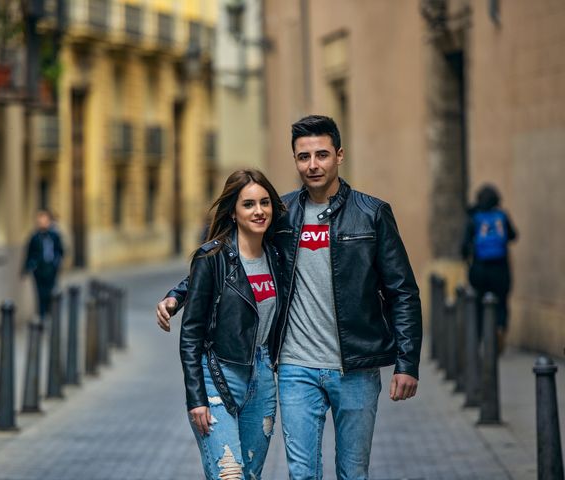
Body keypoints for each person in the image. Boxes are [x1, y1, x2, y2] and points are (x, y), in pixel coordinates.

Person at [158, 115, 422, 480]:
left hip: (357, 367)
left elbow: (402, 291)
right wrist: (178, 294)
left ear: (339, 156)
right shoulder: (281, 215)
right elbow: (229, 260)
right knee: (302, 474)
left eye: (322, 155)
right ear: (295, 160)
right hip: (296, 369)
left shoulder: (371, 215)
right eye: (303, 157)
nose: (312, 165)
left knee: (353, 473)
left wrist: (408, 363)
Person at [179, 169, 286, 479]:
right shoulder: (211, 258)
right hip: (217, 375)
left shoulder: (278, 256)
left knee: (250, 475)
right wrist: (196, 398)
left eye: (264, 203)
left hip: (263, 376)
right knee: (230, 475)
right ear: (234, 212)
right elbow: (190, 335)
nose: (259, 211)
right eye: (249, 204)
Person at [461, 184, 517, 352]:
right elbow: (513, 236)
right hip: (500, 268)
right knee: (501, 301)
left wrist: (468, 260)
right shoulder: (502, 216)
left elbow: (464, 246)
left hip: (479, 269)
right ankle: (500, 326)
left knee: (478, 303)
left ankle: (479, 338)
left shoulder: (474, 218)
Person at [22, 209, 64, 322]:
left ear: (49, 221)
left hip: (51, 268)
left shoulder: (54, 236)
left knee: (50, 292)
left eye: (45, 220)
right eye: (40, 220)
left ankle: (50, 314)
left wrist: (56, 262)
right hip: (39, 269)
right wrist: (27, 267)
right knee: (40, 293)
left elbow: (60, 250)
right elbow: (29, 253)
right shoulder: (34, 237)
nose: (42, 222)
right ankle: (41, 316)